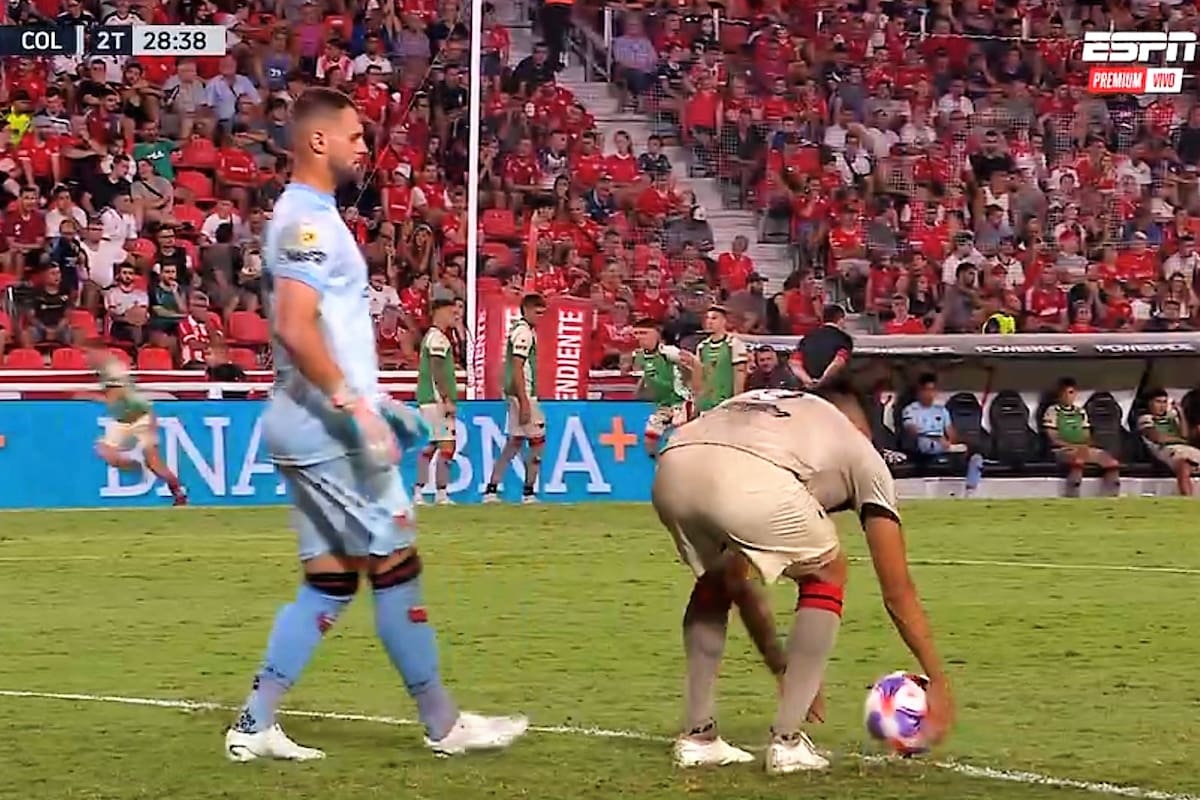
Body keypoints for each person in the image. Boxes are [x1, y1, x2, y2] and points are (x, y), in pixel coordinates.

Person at [225, 88, 526, 763]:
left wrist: (373, 400)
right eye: (356, 134)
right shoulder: (307, 224)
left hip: (308, 420)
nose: (367, 145)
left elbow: (318, 332)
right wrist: (355, 408)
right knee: (396, 566)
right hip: (329, 428)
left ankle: (254, 722)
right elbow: (294, 328)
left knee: (330, 579)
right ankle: (445, 724)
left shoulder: (313, 218)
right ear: (318, 141)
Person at [652, 389, 954, 773]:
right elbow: (897, 591)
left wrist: (784, 668)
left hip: (675, 463)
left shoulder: (787, 410)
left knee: (718, 580)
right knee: (829, 570)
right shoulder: (862, 453)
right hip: (750, 472)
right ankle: (788, 742)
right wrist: (940, 683)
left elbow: (741, 587)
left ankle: (698, 737)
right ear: (862, 427)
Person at [84, 341, 187, 506]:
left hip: (140, 416)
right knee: (108, 453)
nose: (85, 358)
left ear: (99, 352)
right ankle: (140, 467)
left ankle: (176, 490)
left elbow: (115, 396)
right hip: (125, 418)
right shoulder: (106, 370)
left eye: (88, 353)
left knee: (150, 461)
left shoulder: (113, 369)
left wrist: (89, 396)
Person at [483, 293, 548, 504]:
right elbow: (518, 367)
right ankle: (528, 493)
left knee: (514, 443)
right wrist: (524, 401)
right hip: (524, 394)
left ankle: (491, 489)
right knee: (538, 443)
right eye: (537, 312)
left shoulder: (519, 330)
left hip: (516, 394)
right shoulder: (524, 333)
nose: (540, 317)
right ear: (527, 310)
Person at [629, 317, 699, 459]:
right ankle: (661, 465)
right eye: (636, 333)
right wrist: (638, 392)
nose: (639, 337)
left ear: (656, 334)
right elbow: (648, 374)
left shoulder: (669, 352)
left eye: (644, 333)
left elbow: (695, 364)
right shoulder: (639, 356)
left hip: (681, 401)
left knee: (681, 438)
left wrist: (697, 391)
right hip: (663, 405)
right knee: (649, 441)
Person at [1042, 377, 1121, 498]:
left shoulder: (1080, 412)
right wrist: (1074, 447)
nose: (1070, 396)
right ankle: (1073, 496)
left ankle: (1111, 496)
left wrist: (1084, 446)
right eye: (1067, 393)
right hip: (1062, 450)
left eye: (1072, 393)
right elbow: (1053, 438)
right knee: (1078, 460)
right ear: (1060, 394)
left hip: (1082, 448)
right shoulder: (1052, 411)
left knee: (1111, 462)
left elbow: (1086, 435)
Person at [414, 298, 459, 506]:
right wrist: (447, 399)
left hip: (428, 400)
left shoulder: (433, 337)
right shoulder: (437, 339)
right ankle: (441, 494)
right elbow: (437, 371)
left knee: (430, 446)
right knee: (447, 446)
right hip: (436, 401)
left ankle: (419, 492)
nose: (456, 315)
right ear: (439, 313)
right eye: (452, 311)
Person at [1136, 388, 1200, 496]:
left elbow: (1185, 435)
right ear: (1149, 404)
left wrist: (1180, 412)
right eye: (1158, 402)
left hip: (1183, 447)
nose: (1162, 406)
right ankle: (1188, 498)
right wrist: (1181, 440)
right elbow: (1158, 438)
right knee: (1183, 465)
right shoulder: (1146, 419)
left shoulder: (1172, 418)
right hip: (1164, 449)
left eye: (1165, 402)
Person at [695, 305, 748, 412]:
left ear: (724, 321)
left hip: (726, 404)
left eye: (714, 318)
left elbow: (740, 375)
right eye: (707, 318)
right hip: (705, 405)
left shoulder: (734, 344)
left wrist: (737, 402)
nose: (709, 321)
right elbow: (698, 376)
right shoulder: (701, 347)